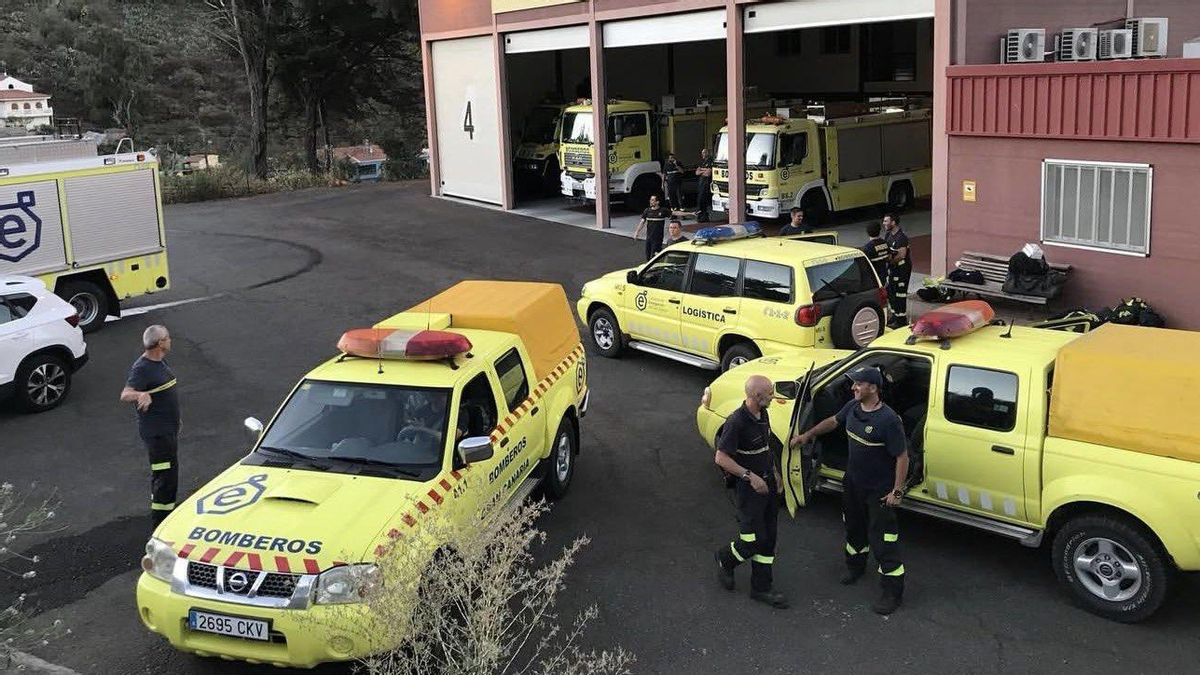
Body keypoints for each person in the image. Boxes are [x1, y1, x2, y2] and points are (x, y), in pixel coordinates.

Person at [791, 366, 908, 615]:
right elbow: (833, 422)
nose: (853, 387)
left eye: (858, 384)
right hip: (853, 484)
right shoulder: (852, 408)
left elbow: (902, 457)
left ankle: (892, 592)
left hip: (879, 491)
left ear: (873, 388)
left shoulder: (888, 420)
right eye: (854, 384)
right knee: (854, 529)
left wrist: (897, 491)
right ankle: (855, 567)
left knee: (883, 541)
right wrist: (807, 435)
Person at [714, 375, 788, 609]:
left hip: (768, 486)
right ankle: (725, 559)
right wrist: (749, 476)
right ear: (757, 396)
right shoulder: (736, 422)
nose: (773, 396)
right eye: (769, 393)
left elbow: (764, 447)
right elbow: (721, 458)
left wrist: (774, 472)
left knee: (768, 539)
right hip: (749, 490)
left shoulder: (762, 414)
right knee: (752, 540)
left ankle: (761, 588)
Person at [120, 325, 181, 526]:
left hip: (167, 430)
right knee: (164, 478)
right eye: (168, 337)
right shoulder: (142, 368)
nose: (170, 340)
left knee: (169, 475)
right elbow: (125, 394)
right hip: (157, 436)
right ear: (160, 343)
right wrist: (140, 395)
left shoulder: (160, 362)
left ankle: (166, 517)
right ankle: (161, 524)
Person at [882, 213, 911, 328]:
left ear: (893, 222)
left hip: (902, 270)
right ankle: (895, 315)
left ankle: (901, 319)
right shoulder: (888, 235)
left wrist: (890, 261)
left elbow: (902, 255)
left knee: (900, 294)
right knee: (891, 292)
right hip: (893, 269)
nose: (884, 223)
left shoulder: (902, 237)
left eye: (886, 221)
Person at [633, 194, 672, 260]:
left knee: (655, 257)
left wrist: (690, 213)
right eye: (651, 200)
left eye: (653, 200)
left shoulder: (663, 211)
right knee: (648, 256)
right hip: (649, 238)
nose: (651, 201)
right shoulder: (647, 211)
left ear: (657, 202)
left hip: (658, 239)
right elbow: (642, 222)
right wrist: (637, 232)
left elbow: (674, 213)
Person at [695, 148, 714, 222]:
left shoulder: (710, 161)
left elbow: (708, 173)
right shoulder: (702, 162)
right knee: (699, 200)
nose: (702, 154)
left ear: (707, 153)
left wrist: (701, 170)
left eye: (704, 153)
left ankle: (704, 216)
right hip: (701, 184)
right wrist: (704, 170)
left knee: (704, 200)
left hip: (706, 184)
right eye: (702, 153)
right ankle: (701, 216)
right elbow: (696, 172)